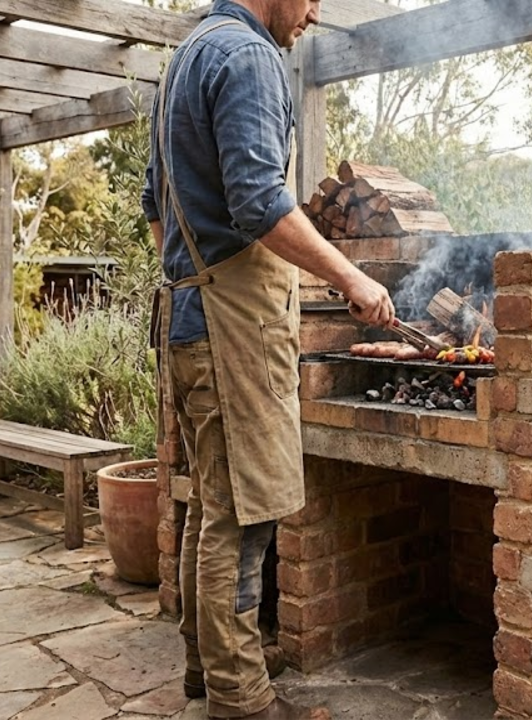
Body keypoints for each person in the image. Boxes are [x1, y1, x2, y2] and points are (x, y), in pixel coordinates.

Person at [140, 0, 395, 718]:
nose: (314, 11)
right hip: (232, 329)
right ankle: (242, 697)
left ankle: (211, 666)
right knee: (241, 515)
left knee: (212, 504)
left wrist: (196, 270)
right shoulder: (248, 56)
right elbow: (258, 201)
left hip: (190, 314)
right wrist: (350, 276)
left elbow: (155, 205)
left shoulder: (185, 59)